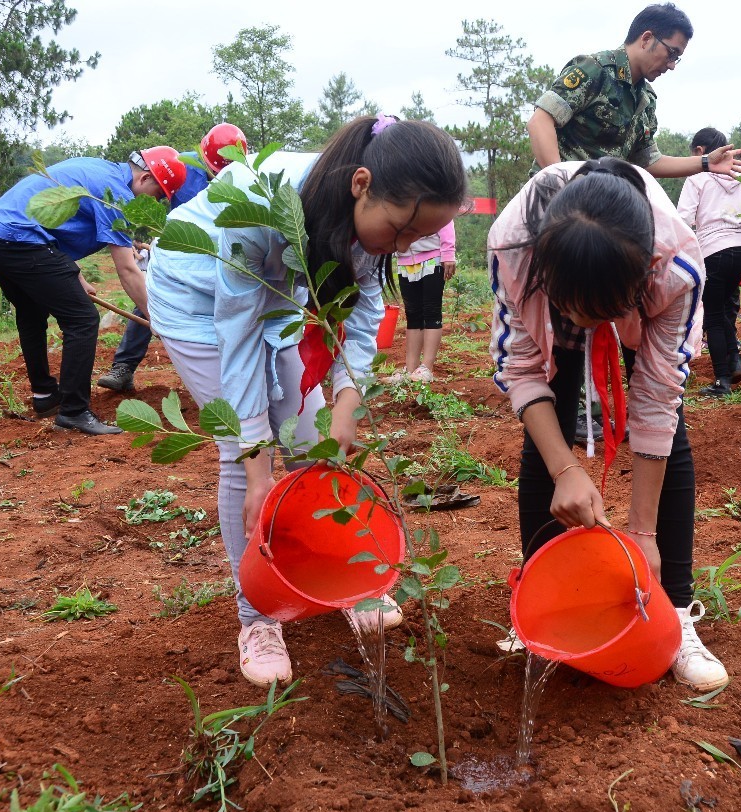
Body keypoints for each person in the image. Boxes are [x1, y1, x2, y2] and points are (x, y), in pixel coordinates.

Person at [148, 117, 466, 687]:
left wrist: (345, 403)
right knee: (242, 455)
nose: (396, 248)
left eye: (414, 240)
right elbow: (239, 332)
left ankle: (341, 579)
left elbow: (366, 310)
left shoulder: (376, 222)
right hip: (197, 299)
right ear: (361, 184)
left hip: (277, 299)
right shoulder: (262, 205)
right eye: (395, 231)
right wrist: (257, 463)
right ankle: (258, 616)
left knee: (310, 437)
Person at [489, 157, 727, 691]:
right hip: (555, 272)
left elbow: (656, 397)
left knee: (670, 426)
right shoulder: (515, 248)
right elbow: (524, 369)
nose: (582, 324)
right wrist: (566, 467)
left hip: (634, 288)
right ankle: (543, 603)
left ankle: (676, 610)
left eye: (597, 313)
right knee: (550, 425)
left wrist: (641, 531)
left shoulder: (676, 267)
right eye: (572, 309)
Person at [0, 147, 188, 434]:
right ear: (146, 178)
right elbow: (127, 270)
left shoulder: (96, 167)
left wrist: (72, 274)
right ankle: (73, 412)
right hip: (19, 240)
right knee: (83, 319)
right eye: (160, 195)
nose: (157, 202)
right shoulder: (117, 196)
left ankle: (45, 396)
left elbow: (55, 224)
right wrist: (156, 318)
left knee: (31, 313)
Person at [96, 123, 249, 395]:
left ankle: (232, 374)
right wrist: (129, 235)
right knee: (153, 295)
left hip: (221, 251)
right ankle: (124, 367)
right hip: (180, 247)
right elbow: (145, 194)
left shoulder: (243, 177)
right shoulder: (182, 168)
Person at [527, 4, 741, 182]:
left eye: (677, 58)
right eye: (671, 53)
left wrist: (705, 162)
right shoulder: (593, 70)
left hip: (599, 204)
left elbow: (649, 161)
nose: (672, 65)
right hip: (554, 200)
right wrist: (560, 185)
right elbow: (541, 121)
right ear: (647, 38)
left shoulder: (645, 100)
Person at [677, 127, 741, 398]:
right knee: (723, 309)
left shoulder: (697, 177)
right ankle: (735, 362)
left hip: (713, 251)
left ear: (700, 152)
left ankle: (722, 381)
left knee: (714, 317)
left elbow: (683, 220)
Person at [387, 221, 456, 384]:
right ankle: (410, 369)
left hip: (433, 257)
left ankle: (426, 368)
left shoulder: (431, 195)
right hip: (404, 260)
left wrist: (448, 253)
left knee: (431, 311)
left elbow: (445, 219)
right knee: (412, 314)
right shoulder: (392, 197)